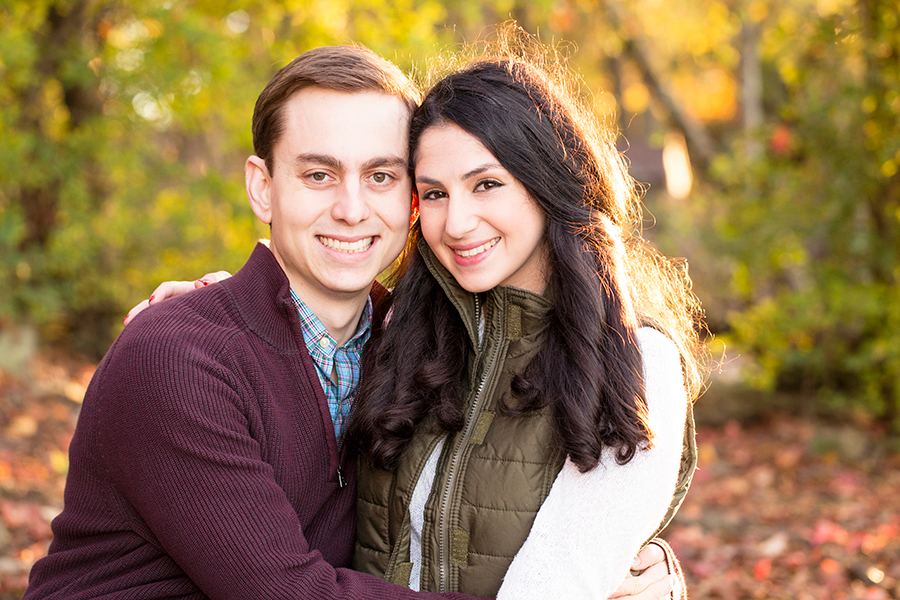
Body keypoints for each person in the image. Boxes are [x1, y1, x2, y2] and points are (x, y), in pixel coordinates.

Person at [25, 44, 679, 600]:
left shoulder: (416, 344)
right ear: (262, 187)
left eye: (382, 176)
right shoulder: (178, 357)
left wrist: (640, 571)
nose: (350, 208)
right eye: (318, 174)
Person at [347, 39, 703, 599]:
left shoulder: (637, 364)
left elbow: (560, 581)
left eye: (486, 184)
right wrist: (208, 303)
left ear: (545, 180)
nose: (457, 222)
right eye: (434, 193)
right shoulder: (396, 329)